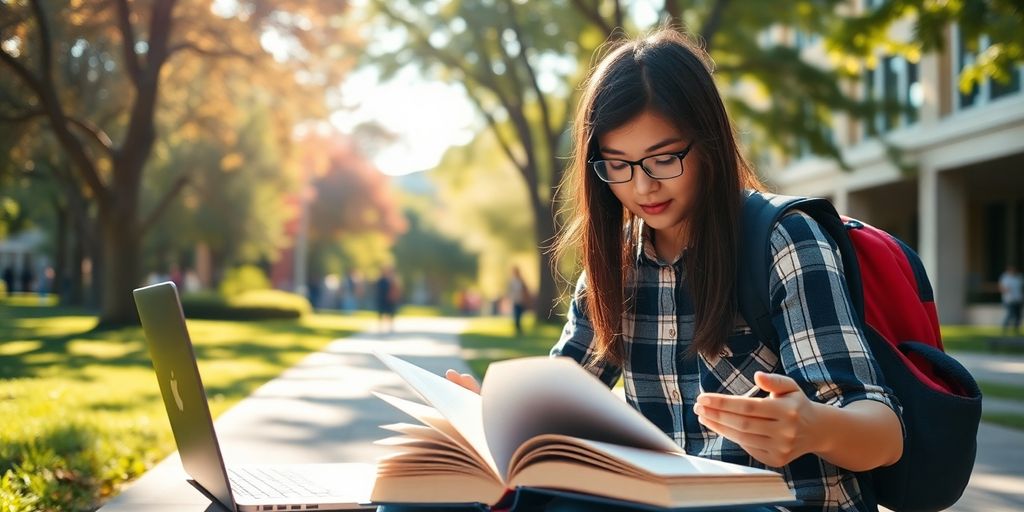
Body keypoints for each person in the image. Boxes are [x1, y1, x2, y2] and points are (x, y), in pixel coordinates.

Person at [442, 29, 903, 512]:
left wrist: (812, 426)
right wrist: (492, 415)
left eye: (664, 158)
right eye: (618, 165)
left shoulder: (783, 241)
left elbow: (886, 436)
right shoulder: (616, 265)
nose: (643, 187)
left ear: (709, 143)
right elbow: (558, 406)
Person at [1000, 265, 1023, 336]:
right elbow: (1002, 288)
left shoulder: (1019, 277)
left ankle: (1016, 330)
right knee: (1010, 315)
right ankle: (1005, 329)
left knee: (1018, 316)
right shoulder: (1005, 278)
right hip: (1009, 300)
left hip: (1018, 299)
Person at [376, 267, 401, 333]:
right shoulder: (381, 280)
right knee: (381, 313)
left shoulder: (393, 280)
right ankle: (381, 326)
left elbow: (397, 289)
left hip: (390, 299)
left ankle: (390, 326)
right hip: (382, 299)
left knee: (391, 312)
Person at [508, 266, 531, 336]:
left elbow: (524, 290)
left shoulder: (521, 281)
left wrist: (525, 299)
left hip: (521, 301)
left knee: (519, 315)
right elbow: (510, 291)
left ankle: (519, 329)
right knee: (516, 315)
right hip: (515, 301)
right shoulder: (512, 281)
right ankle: (517, 329)